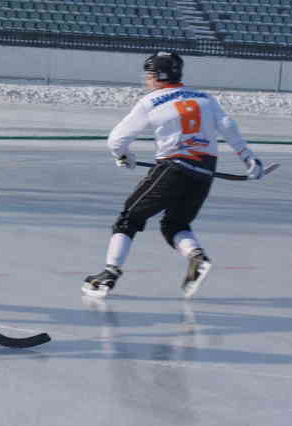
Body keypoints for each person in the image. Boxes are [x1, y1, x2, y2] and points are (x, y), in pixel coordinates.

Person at [82, 51, 264, 299]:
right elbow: (228, 126)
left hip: (173, 167)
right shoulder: (205, 98)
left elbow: (117, 139)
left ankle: (108, 275)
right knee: (175, 224)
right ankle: (196, 258)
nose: (146, 80)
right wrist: (248, 157)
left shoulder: (151, 101)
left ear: (160, 75)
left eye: (149, 74)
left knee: (129, 218)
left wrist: (123, 155)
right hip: (204, 171)